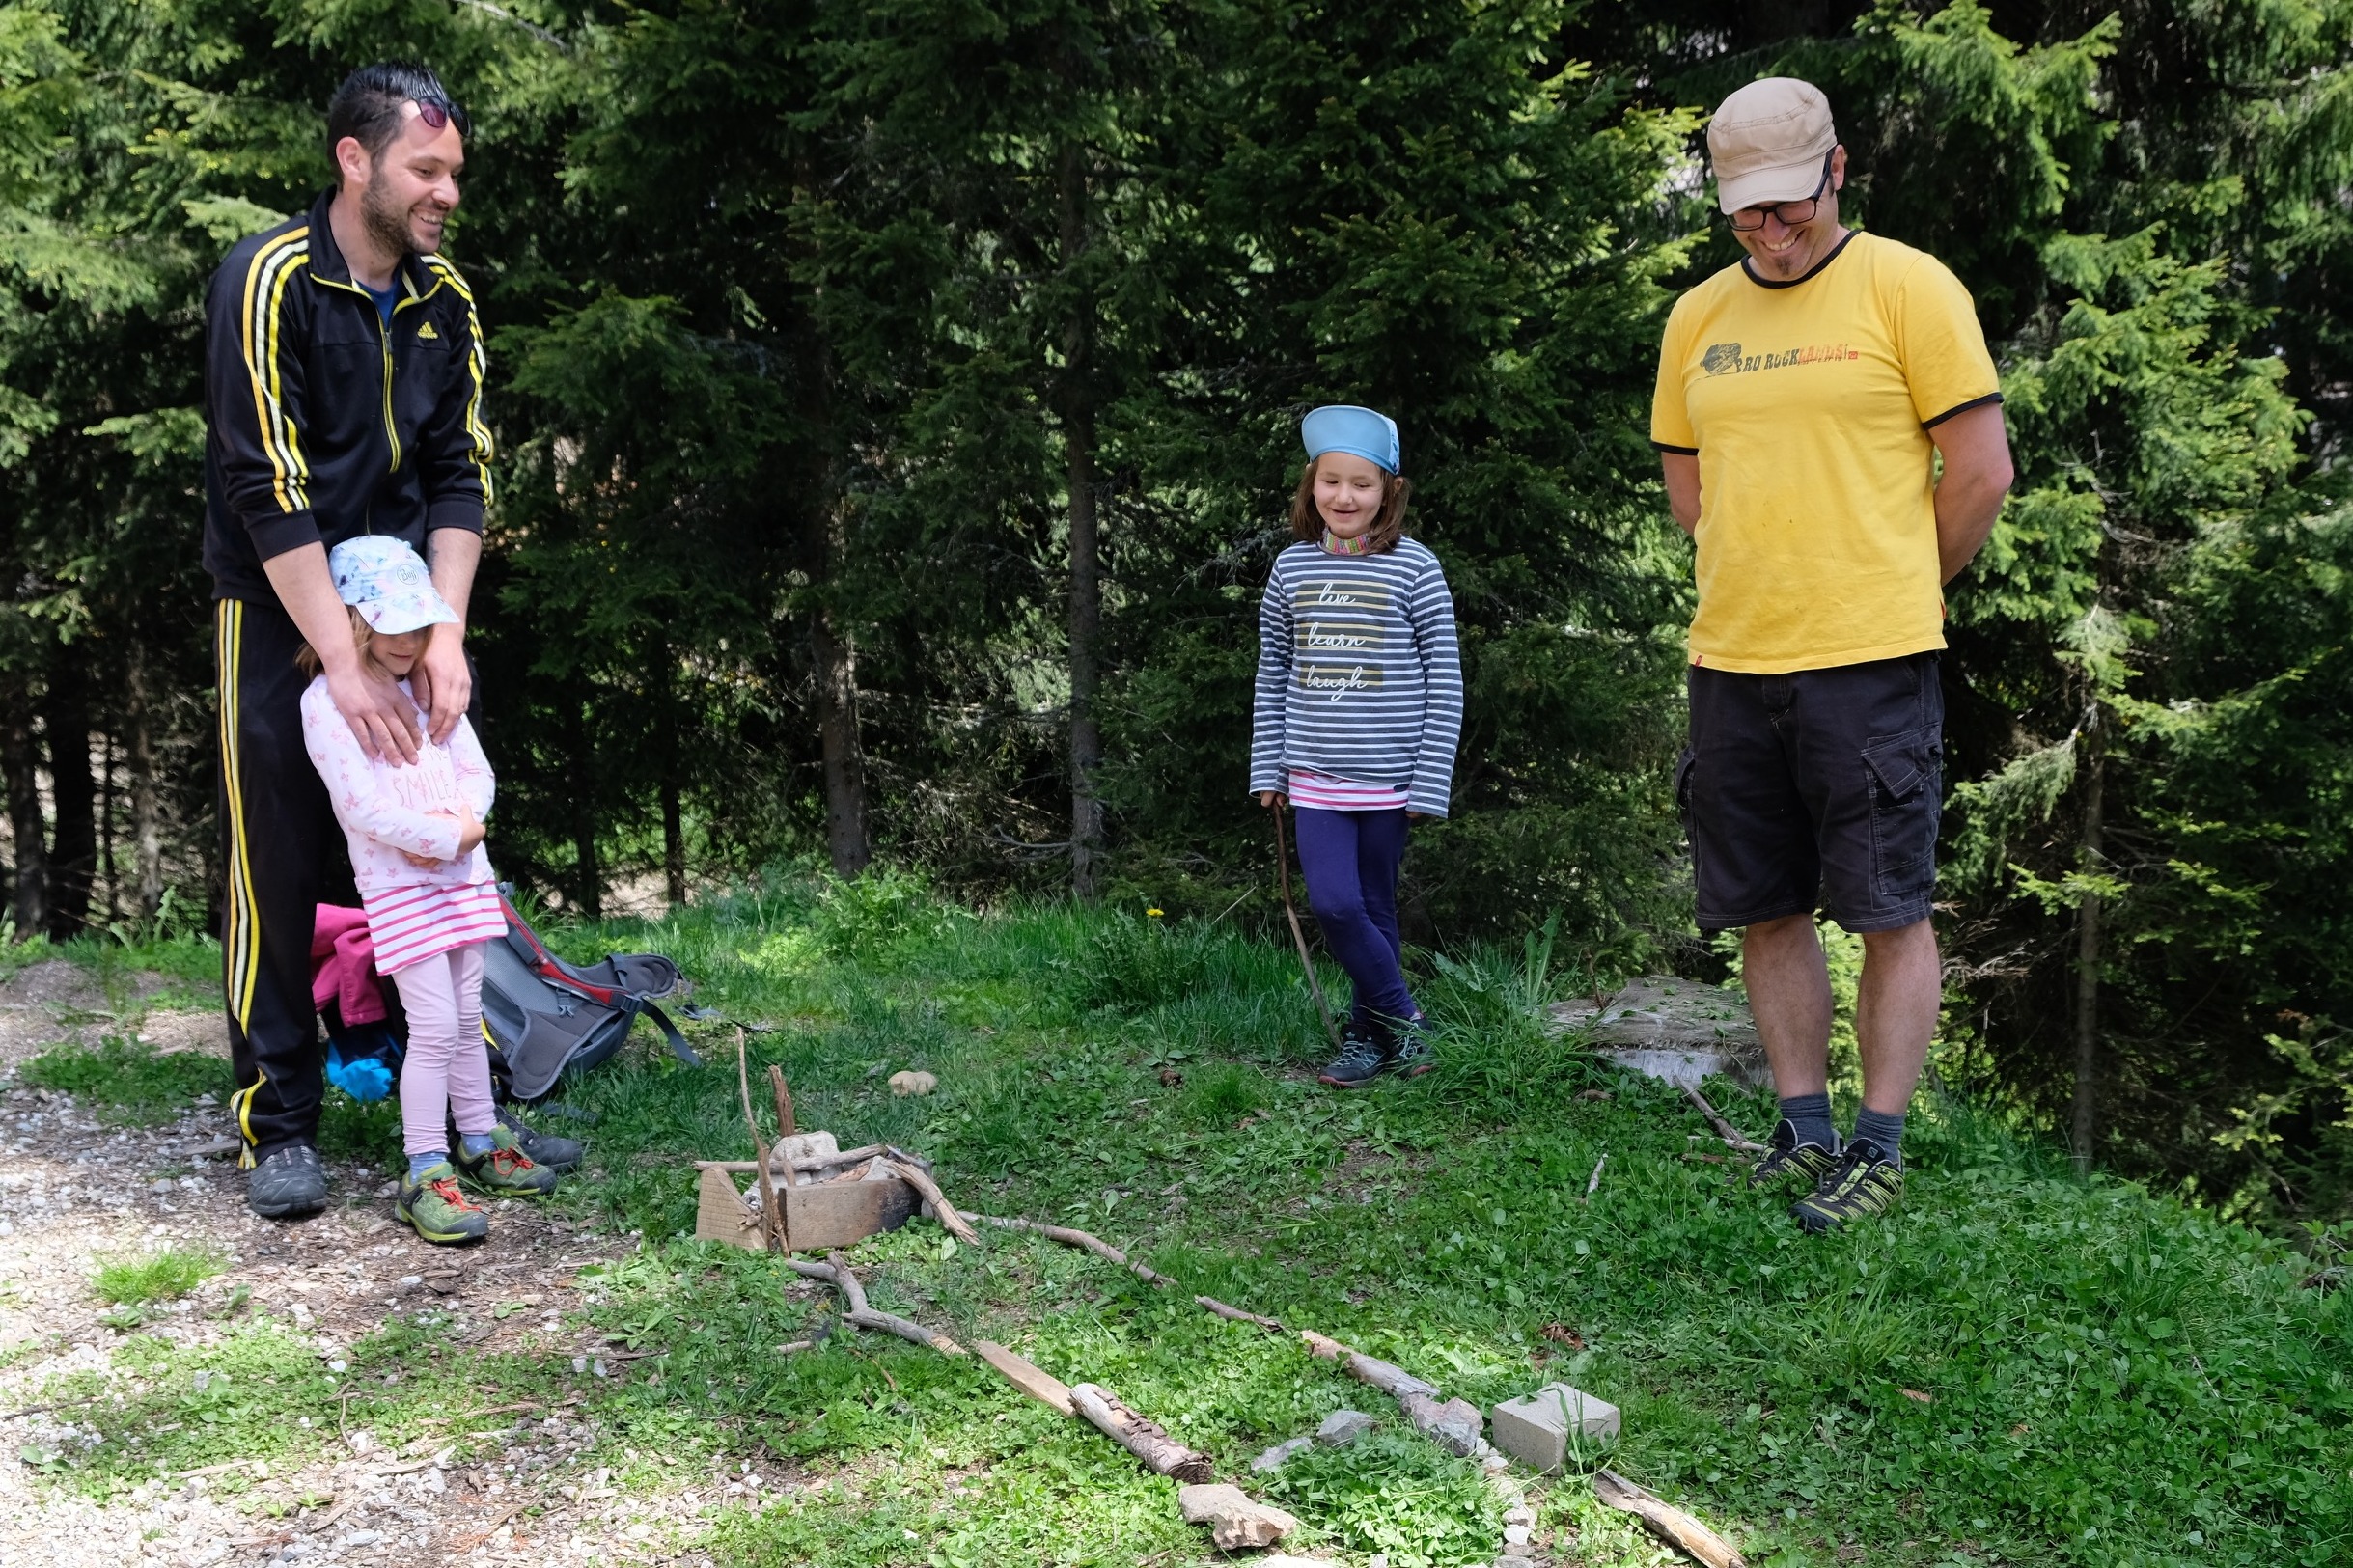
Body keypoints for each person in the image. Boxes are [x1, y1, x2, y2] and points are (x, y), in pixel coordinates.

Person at [1649, 78, 2015, 1232]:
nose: (1769, 227)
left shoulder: (1908, 287)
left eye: (1787, 202)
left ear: (1836, 170)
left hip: (1870, 658)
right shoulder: (1695, 317)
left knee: (1886, 908)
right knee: (1765, 904)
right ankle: (1801, 1127)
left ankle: (1881, 1142)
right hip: (1731, 655)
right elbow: (1683, 483)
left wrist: (1904, 582)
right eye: (1745, 210)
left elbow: (1981, 471)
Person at [203, 61, 560, 1217]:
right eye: (427, 168)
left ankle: (456, 1106)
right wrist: (340, 663)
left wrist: (440, 634)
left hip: (407, 616)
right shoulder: (268, 280)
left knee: (430, 836)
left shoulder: (444, 297)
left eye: (454, 171)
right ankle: (280, 1124)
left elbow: (460, 474)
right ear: (354, 161)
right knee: (281, 856)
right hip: (278, 606)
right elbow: (266, 487)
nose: (447, 191)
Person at [298, 536, 556, 1244]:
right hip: (403, 892)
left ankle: (479, 1135)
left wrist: (468, 822)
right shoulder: (326, 703)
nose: (411, 638)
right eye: (395, 623)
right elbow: (363, 811)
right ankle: (423, 1163)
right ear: (354, 619)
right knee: (434, 1025)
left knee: (466, 1014)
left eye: (420, 623)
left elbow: (475, 767)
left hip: (465, 880)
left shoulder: (427, 687)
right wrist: (446, 836)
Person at [1251, 406, 1464, 1087]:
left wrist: (1430, 781)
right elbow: (1273, 669)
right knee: (1337, 904)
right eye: (1331, 482)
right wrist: (1268, 765)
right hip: (1315, 776)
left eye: (1362, 484)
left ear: (1389, 492)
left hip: (1391, 781)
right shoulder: (1291, 571)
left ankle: (1366, 1039)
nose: (1345, 497)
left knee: (1375, 908)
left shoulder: (1416, 570)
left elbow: (1446, 677)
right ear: (1311, 488)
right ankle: (1408, 1022)